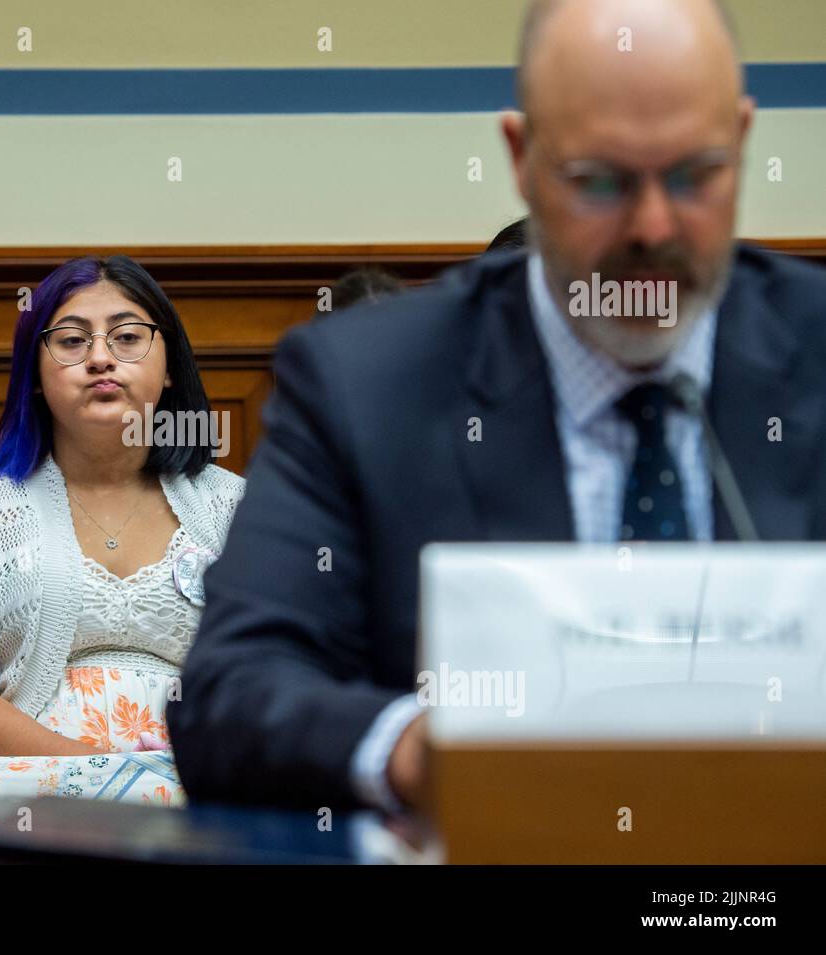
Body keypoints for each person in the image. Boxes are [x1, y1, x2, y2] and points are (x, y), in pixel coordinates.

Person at [169, 0, 826, 812]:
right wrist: (419, 750)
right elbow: (230, 698)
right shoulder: (365, 381)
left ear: (744, 140)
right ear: (520, 159)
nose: (653, 228)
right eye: (601, 182)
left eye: (694, 175)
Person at [0, 255, 243, 827]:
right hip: (38, 784)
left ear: (171, 364)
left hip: (202, 775)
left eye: (128, 337)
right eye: (72, 341)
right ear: (35, 372)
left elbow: (270, 675)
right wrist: (109, 778)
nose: (101, 357)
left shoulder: (234, 506)